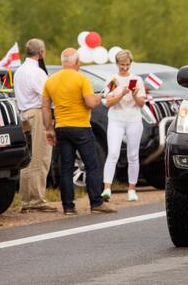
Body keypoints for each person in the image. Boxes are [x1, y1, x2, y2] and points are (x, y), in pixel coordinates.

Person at [42, 48, 115, 215]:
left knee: (66, 167)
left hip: (61, 127)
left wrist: (49, 129)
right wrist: (99, 98)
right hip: (81, 127)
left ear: (62, 62)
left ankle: (68, 206)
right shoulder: (82, 78)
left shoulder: (50, 80)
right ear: (77, 62)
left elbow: (45, 107)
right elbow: (90, 103)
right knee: (92, 165)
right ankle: (96, 202)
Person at [15, 39, 57, 213]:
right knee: (41, 157)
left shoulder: (19, 70)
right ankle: (36, 199)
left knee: (28, 159)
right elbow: (46, 96)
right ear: (41, 52)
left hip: (25, 114)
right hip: (37, 113)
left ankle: (26, 199)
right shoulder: (37, 72)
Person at [101, 50, 147, 202]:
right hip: (116, 119)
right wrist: (121, 94)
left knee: (133, 155)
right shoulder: (113, 80)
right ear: (117, 64)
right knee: (113, 153)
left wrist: (133, 94)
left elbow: (141, 104)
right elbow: (108, 102)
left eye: (127, 65)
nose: (125, 68)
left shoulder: (136, 80)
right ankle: (107, 188)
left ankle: (132, 189)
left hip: (133, 119)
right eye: (122, 65)